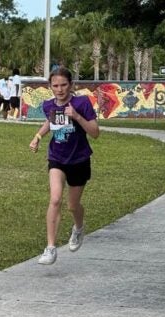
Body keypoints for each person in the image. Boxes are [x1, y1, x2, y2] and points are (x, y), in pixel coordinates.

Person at [29, 67, 99, 265]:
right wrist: (38, 137)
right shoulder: (48, 105)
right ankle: (50, 248)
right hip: (57, 158)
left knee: (72, 206)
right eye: (55, 85)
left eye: (63, 85)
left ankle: (78, 228)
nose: (59, 89)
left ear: (71, 85)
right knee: (55, 199)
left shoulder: (81, 103)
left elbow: (95, 133)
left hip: (79, 160)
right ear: (50, 86)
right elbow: (50, 122)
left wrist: (77, 116)